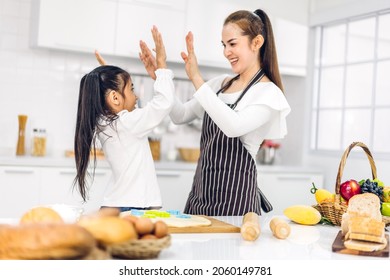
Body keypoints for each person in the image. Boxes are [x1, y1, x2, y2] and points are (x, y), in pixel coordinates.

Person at [171, 9, 291, 216]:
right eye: (224, 45)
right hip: (201, 196)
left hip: (236, 203)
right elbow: (180, 115)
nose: (226, 51)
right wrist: (161, 78)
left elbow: (233, 126)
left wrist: (197, 79)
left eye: (233, 44)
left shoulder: (270, 94)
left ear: (257, 42)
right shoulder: (220, 85)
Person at [73, 26, 174, 212]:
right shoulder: (127, 122)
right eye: (132, 89)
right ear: (115, 98)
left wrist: (104, 80)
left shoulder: (103, 123)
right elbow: (164, 103)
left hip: (116, 205)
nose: (135, 97)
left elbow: (105, 99)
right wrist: (162, 66)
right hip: (134, 207)